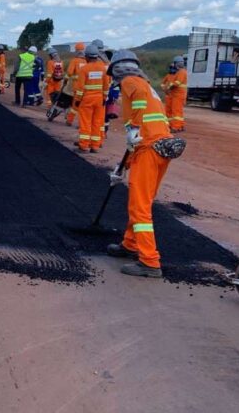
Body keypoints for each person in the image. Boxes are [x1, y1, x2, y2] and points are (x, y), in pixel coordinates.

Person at [106, 49, 176, 278]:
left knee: (139, 206)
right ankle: (130, 244)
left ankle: (149, 261)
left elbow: (138, 107)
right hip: (160, 147)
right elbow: (145, 131)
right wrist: (123, 166)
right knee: (142, 201)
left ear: (117, 69)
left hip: (149, 148)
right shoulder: (148, 85)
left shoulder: (131, 81)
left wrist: (134, 126)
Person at [73, 42, 107, 152]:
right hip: (100, 100)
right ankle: (95, 146)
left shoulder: (84, 69)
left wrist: (77, 100)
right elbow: (106, 85)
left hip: (87, 100)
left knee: (85, 122)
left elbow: (80, 88)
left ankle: (83, 145)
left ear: (87, 56)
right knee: (97, 122)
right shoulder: (103, 69)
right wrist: (104, 98)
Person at [64, 42, 87, 126]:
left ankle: (69, 121)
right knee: (83, 106)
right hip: (86, 87)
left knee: (75, 105)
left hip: (76, 86)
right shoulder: (87, 61)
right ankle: (82, 123)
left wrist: (65, 80)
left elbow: (69, 72)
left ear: (76, 50)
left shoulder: (75, 61)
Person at [167, 56, 188, 132]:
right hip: (179, 95)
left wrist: (170, 87)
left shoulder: (181, 72)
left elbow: (177, 83)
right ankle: (180, 125)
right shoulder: (181, 72)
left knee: (176, 112)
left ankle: (176, 127)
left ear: (177, 64)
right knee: (179, 112)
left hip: (178, 95)